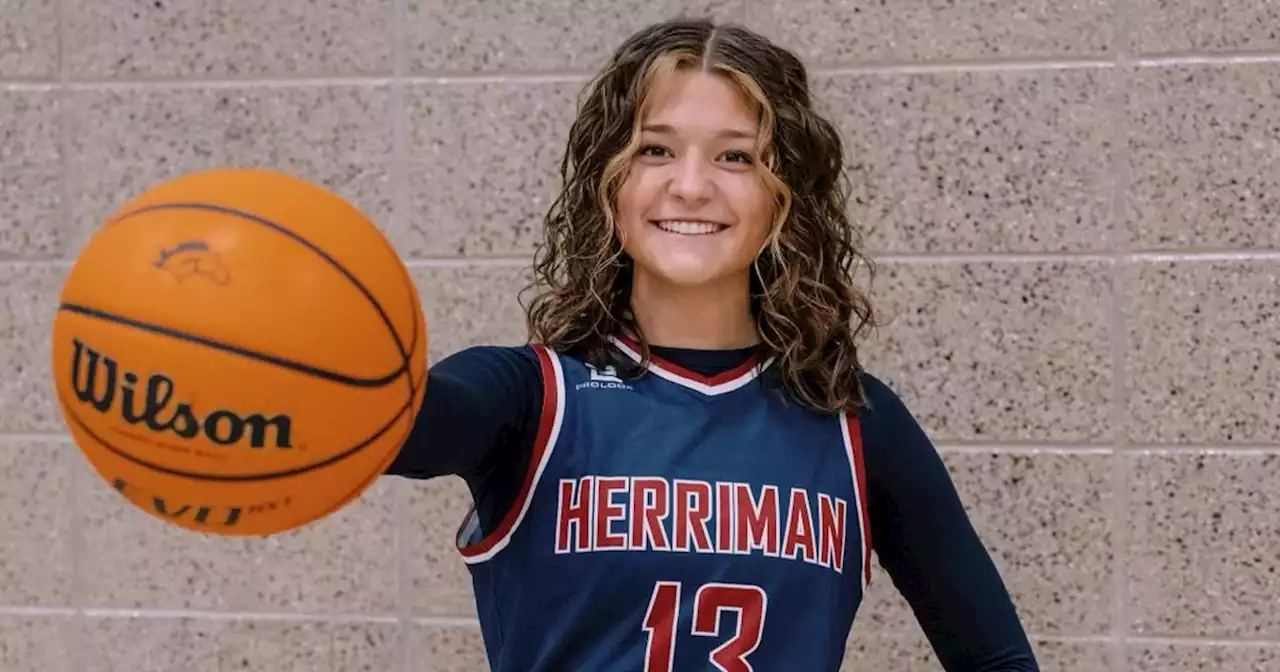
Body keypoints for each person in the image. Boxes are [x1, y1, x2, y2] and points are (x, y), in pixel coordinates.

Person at [386, 17, 1040, 672]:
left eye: (736, 157)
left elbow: (996, 659)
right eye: (655, 150)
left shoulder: (852, 420)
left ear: (786, 198)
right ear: (607, 183)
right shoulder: (531, 398)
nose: (692, 186)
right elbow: (396, 424)